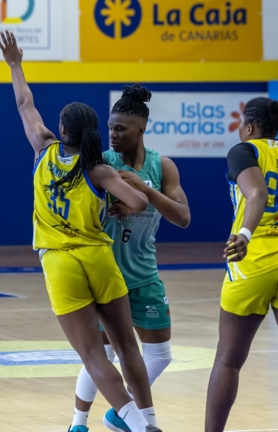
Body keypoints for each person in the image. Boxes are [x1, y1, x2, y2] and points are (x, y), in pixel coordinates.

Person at [0, 30, 162, 432]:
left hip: (60, 263)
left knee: (94, 357)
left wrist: (15, 64)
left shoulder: (42, 148)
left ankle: (139, 427)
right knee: (127, 346)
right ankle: (151, 419)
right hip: (100, 259)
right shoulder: (99, 170)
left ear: (62, 130)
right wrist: (121, 201)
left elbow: (24, 103)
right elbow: (141, 203)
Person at [70, 85, 191, 432]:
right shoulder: (100, 163)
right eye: (110, 127)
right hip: (106, 275)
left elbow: (183, 218)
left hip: (144, 273)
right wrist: (110, 205)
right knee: (104, 354)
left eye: (120, 128)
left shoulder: (162, 166)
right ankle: (78, 422)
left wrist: (145, 190)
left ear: (141, 129)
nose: (112, 133)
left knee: (160, 355)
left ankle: (119, 413)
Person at [205, 97, 278, 432]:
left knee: (228, 360)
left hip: (251, 260)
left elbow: (257, 194)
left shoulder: (243, 151)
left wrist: (245, 232)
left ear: (249, 127)